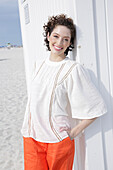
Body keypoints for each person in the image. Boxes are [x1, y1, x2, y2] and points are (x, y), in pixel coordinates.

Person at [21, 14, 107, 170]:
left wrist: (73, 133)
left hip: (58, 141)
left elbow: (97, 107)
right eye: (56, 36)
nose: (59, 42)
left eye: (66, 39)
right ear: (48, 36)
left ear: (70, 43)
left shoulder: (73, 69)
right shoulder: (37, 66)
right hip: (31, 137)